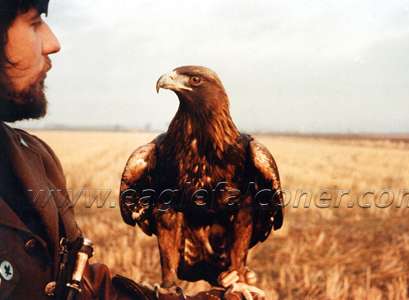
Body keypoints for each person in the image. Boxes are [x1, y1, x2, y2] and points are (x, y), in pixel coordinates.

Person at [0, 1, 249, 299]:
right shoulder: (152, 156)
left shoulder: (32, 158)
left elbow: (73, 284)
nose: (53, 43)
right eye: (33, 22)